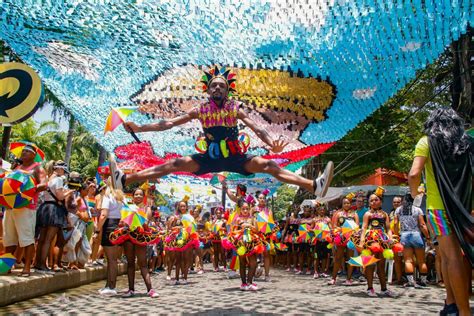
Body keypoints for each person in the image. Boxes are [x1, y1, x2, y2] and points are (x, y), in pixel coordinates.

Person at [110, 66, 334, 198]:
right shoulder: (200, 110)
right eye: (214, 85)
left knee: (270, 165)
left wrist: (269, 144)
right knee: (173, 165)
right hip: (209, 158)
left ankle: (314, 186)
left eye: (222, 86)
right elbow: (168, 124)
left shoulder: (234, 108)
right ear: (207, 89)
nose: (217, 88)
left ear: (227, 90)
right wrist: (140, 128)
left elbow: (257, 127)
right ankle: (126, 179)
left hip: (235, 158)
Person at [408, 108, 472, 316]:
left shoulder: (426, 142)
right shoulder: (467, 143)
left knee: (450, 257)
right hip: (465, 208)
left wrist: (414, 191)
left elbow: (414, 173)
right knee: (446, 257)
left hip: (438, 209)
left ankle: (463, 311)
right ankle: (450, 303)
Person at [3, 144, 47, 277]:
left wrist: (29, 190)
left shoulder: (38, 168)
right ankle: (7, 266)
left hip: (27, 206)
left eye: (27, 152)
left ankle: (26, 267)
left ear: (34, 155)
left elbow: (44, 184)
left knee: (26, 238)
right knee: (9, 238)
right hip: (11, 206)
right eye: (23, 151)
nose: (24, 153)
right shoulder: (16, 167)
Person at [119, 188, 159, 298]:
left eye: (140, 194)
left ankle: (150, 289)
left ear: (143, 196)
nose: (138, 196)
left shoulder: (147, 208)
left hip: (141, 237)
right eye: (136, 194)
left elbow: (145, 224)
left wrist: (137, 215)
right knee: (130, 263)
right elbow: (122, 222)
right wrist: (124, 222)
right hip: (128, 237)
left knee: (143, 263)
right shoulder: (127, 207)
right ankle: (131, 289)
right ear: (132, 196)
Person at [35, 161, 73, 274]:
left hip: (44, 207)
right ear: (60, 169)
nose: (64, 174)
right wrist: (69, 192)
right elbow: (60, 196)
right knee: (48, 239)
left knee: (41, 239)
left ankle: (38, 264)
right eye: (64, 171)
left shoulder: (48, 178)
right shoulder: (59, 179)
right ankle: (43, 265)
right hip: (54, 209)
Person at [359, 190, 395, 297]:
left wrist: (390, 238)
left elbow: (388, 228)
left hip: (382, 239)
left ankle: (384, 289)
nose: (374, 202)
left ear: (381, 201)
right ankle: (370, 288)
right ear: (369, 203)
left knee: (381, 265)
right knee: (370, 264)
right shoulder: (367, 214)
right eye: (371, 200)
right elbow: (364, 227)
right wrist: (361, 241)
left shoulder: (384, 214)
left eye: (376, 200)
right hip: (370, 239)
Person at [224, 199, 263, 291]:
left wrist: (250, 226)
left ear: (250, 209)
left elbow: (257, 230)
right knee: (242, 262)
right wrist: (241, 228)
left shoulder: (253, 218)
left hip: (252, 242)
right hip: (241, 242)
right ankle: (243, 283)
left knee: (253, 262)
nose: (245, 211)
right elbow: (232, 231)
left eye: (247, 209)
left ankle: (249, 282)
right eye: (243, 209)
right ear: (240, 209)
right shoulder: (237, 219)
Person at [393, 193, 430, 288]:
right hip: (416, 235)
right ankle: (423, 281)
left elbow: (396, 224)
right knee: (421, 261)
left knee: (408, 260)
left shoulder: (398, 210)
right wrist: (428, 237)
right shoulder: (417, 210)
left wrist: (397, 235)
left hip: (404, 235)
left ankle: (410, 282)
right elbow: (422, 225)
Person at [95, 180, 124, 296]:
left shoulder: (108, 197)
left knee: (111, 260)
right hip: (118, 226)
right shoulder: (122, 198)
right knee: (113, 259)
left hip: (109, 226)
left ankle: (111, 286)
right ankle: (109, 285)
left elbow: (103, 215)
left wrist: (97, 229)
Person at [164, 200, 198, 285]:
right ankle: (177, 278)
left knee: (186, 259)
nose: (182, 208)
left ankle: (185, 278)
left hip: (187, 239)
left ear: (186, 207)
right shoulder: (175, 217)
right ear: (178, 207)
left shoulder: (190, 217)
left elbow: (193, 228)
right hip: (177, 239)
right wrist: (173, 222)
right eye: (181, 206)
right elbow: (170, 228)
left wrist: (185, 229)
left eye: (184, 206)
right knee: (178, 259)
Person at [328, 196, 359, 286]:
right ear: (342, 204)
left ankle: (349, 279)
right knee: (338, 258)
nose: (346, 205)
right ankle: (333, 278)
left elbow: (357, 227)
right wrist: (342, 229)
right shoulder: (338, 214)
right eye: (345, 203)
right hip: (341, 238)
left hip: (351, 239)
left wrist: (352, 230)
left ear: (350, 204)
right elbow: (334, 226)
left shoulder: (354, 214)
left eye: (348, 203)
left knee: (350, 259)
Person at [253, 191, 274, 281]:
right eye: (260, 198)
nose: (262, 200)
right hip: (255, 234)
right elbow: (251, 220)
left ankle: (267, 275)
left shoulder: (268, 211)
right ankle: (253, 273)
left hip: (266, 234)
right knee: (254, 254)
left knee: (266, 254)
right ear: (258, 199)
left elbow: (271, 223)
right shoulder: (253, 209)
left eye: (263, 198)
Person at [312, 203, 331, 279]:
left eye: (323, 210)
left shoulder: (328, 219)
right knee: (316, 257)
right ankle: (316, 272)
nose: (322, 211)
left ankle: (323, 272)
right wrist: (315, 230)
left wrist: (327, 230)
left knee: (324, 257)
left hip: (325, 240)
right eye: (320, 210)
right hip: (317, 241)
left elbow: (331, 228)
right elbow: (310, 229)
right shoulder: (315, 219)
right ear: (317, 211)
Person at [388, 196, 404, 285]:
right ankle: (399, 278)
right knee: (396, 259)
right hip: (394, 238)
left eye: (398, 202)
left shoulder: (404, 213)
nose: (396, 204)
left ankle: (403, 277)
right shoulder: (391, 213)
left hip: (403, 237)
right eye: (394, 202)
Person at [210, 207, 227, 272]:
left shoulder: (224, 221)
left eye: (219, 213)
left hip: (222, 238)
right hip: (215, 238)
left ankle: (225, 266)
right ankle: (216, 267)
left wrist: (222, 229)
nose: (218, 214)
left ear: (221, 213)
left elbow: (227, 229)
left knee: (223, 252)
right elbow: (211, 229)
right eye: (217, 213)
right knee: (216, 252)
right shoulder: (213, 221)